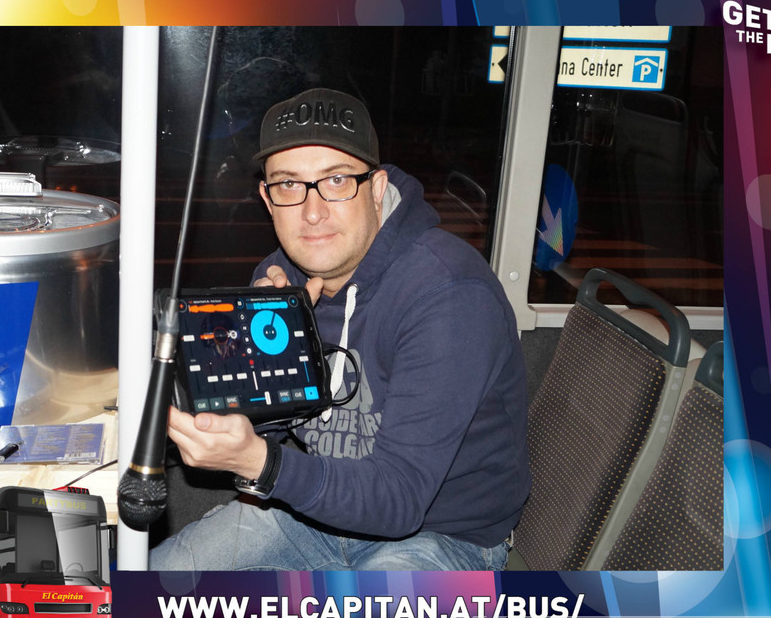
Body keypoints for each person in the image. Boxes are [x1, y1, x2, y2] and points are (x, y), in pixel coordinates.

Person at [149, 88, 530, 571]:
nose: (313, 212)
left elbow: (399, 500)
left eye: (336, 180)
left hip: (441, 536)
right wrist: (260, 363)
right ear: (268, 199)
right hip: (311, 512)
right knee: (148, 588)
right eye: (289, 184)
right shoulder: (280, 279)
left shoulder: (449, 294)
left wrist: (260, 463)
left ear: (376, 188)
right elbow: (271, 425)